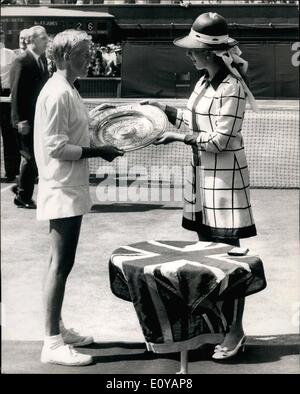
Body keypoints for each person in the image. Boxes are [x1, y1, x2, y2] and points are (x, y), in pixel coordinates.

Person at [150, 12, 258, 360]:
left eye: (195, 49)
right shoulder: (203, 83)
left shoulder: (233, 87)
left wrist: (177, 137)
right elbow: (194, 119)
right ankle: (215, 328)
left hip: (225, 184)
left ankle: (236, 332)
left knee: (231, 262)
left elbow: (221, 140)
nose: (190, 54)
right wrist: (163, 109)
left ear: (211, 53)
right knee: (209, 260)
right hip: (200, 183)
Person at [34, 29, 124, 366]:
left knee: (61, 262)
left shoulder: (67, 89)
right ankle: (52, 343)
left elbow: (71, 132)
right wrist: (98, 150)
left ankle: (55, 328)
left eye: (91, 51)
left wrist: (97, 119)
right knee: (61, 264)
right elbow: (56, 148)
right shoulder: (57, 93)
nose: (91, 57)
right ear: (64, 55)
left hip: (69, 186)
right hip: (61, 187)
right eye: (85, 52)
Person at [10, 25, 49, 209]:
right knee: (30, 158)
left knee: (35, 157)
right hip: (26, 121)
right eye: (43, 38)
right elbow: (16, 93)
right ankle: (23, 197)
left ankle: (20, 186)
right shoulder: (21, 61)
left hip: (38, 119)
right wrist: (19, 120)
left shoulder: (42, 60)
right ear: (31, 40)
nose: (47, 40)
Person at [0, 29, 20, 182]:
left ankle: (11, 172)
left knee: (9, 137)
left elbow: (15, 76)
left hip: (6, 96)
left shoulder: (10, 54)